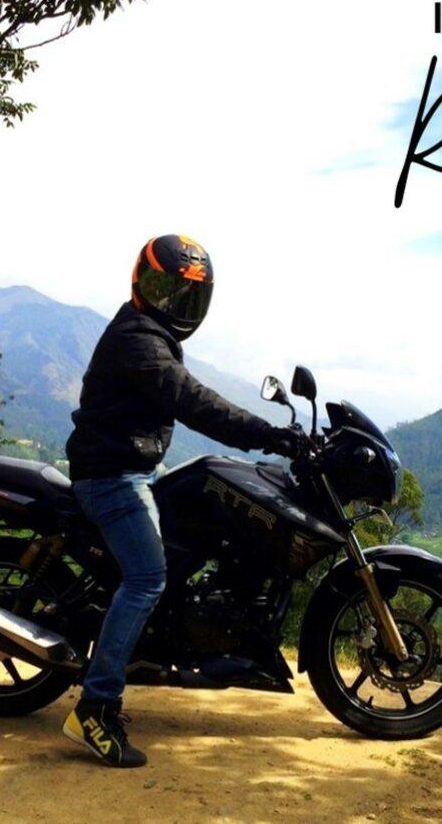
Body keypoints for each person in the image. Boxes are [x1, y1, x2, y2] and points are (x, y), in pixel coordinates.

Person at [61, 234, 302, 767]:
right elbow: (194, 402)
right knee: (148, 576)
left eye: (186, 296)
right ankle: (95, 708)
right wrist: (269, 434)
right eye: (166, 290)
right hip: (112, 475)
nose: (174, 304)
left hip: (134, 464)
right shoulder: (137, 339)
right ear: (141, 283)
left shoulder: (148, 333)